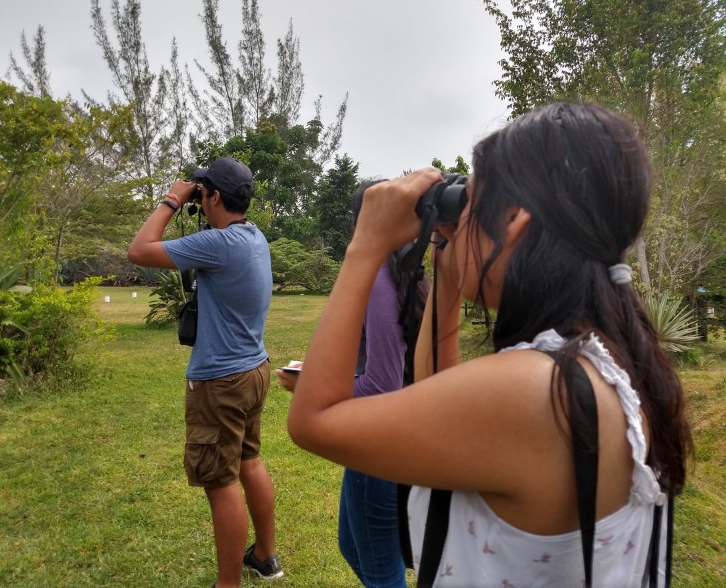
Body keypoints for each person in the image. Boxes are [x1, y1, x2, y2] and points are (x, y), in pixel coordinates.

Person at [286, 103, 691, 587]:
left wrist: (366, 245)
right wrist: (449, 266)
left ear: (515, 220)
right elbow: (439, 405)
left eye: (469, 202)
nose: (458, 221)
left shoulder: (537, 391)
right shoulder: (614, 360)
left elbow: (315, 422)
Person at [127, 157, 282, 588]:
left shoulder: (220, 244)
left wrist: (172, 199)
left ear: (212, 196)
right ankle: (266, 557)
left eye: (202, 192)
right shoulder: (253, 237)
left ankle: (226, 584)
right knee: (249, 460)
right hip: (254, 369)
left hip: (221, 380)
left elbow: (139, 249)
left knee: (220, 481)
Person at [277, 183, 429, 587]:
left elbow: (382, 386)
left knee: (381, 570)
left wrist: (311, 387)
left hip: (378, 441)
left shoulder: (380, 277)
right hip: (388, 435)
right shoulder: (402, 270)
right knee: (352, 545)